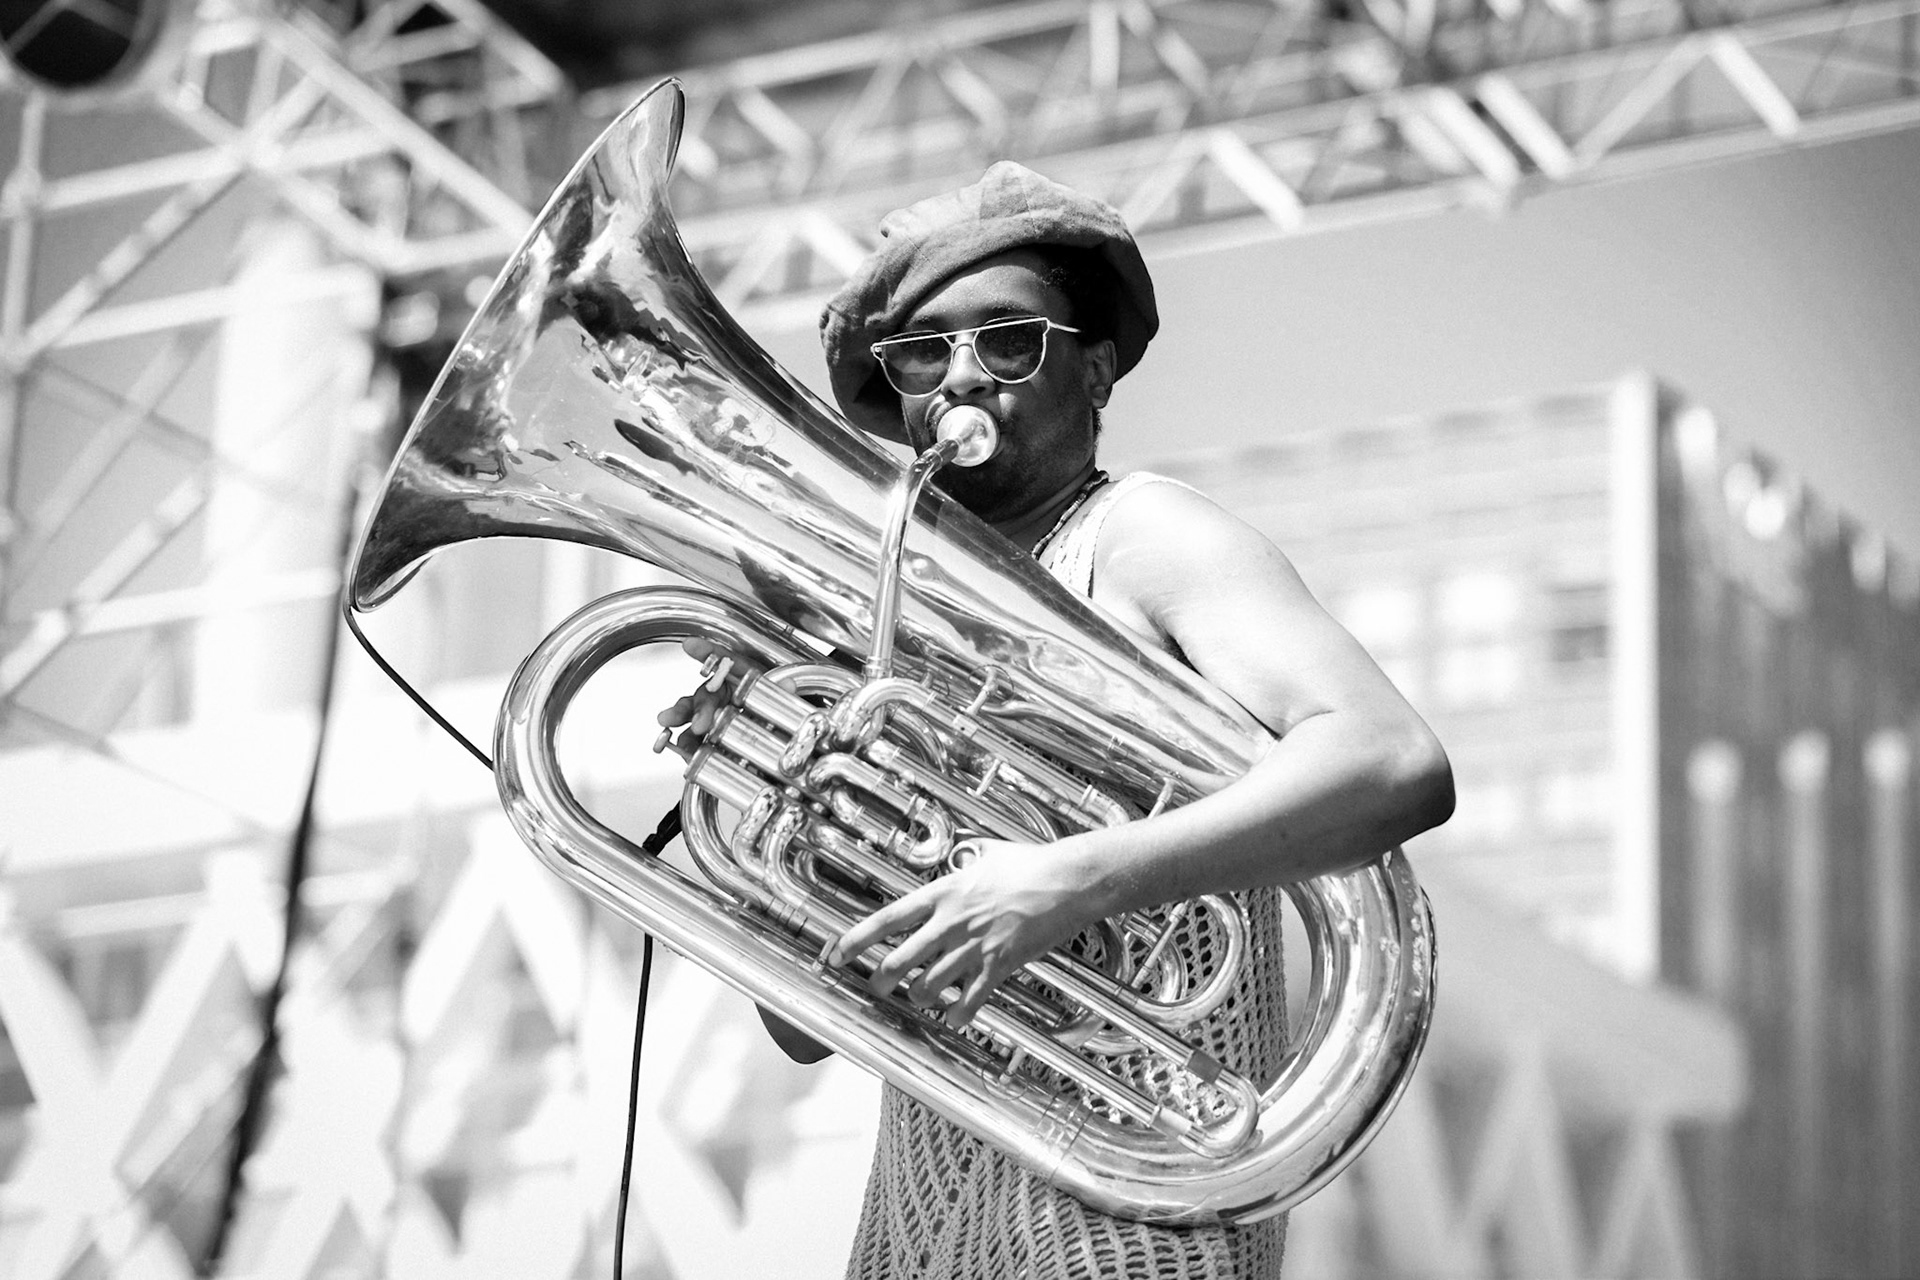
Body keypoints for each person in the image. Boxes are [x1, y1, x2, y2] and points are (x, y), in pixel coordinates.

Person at [668, 162, 1454, 1279]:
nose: (961, 377)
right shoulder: (891, 628)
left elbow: (1392, 760)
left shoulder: (1142, 533)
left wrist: (1069, 881)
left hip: (1133, 1215)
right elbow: (800, 1031)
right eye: (922, 353)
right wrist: (774, 814)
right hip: (919, 1222)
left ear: (1093, 369)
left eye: (1008, 340)